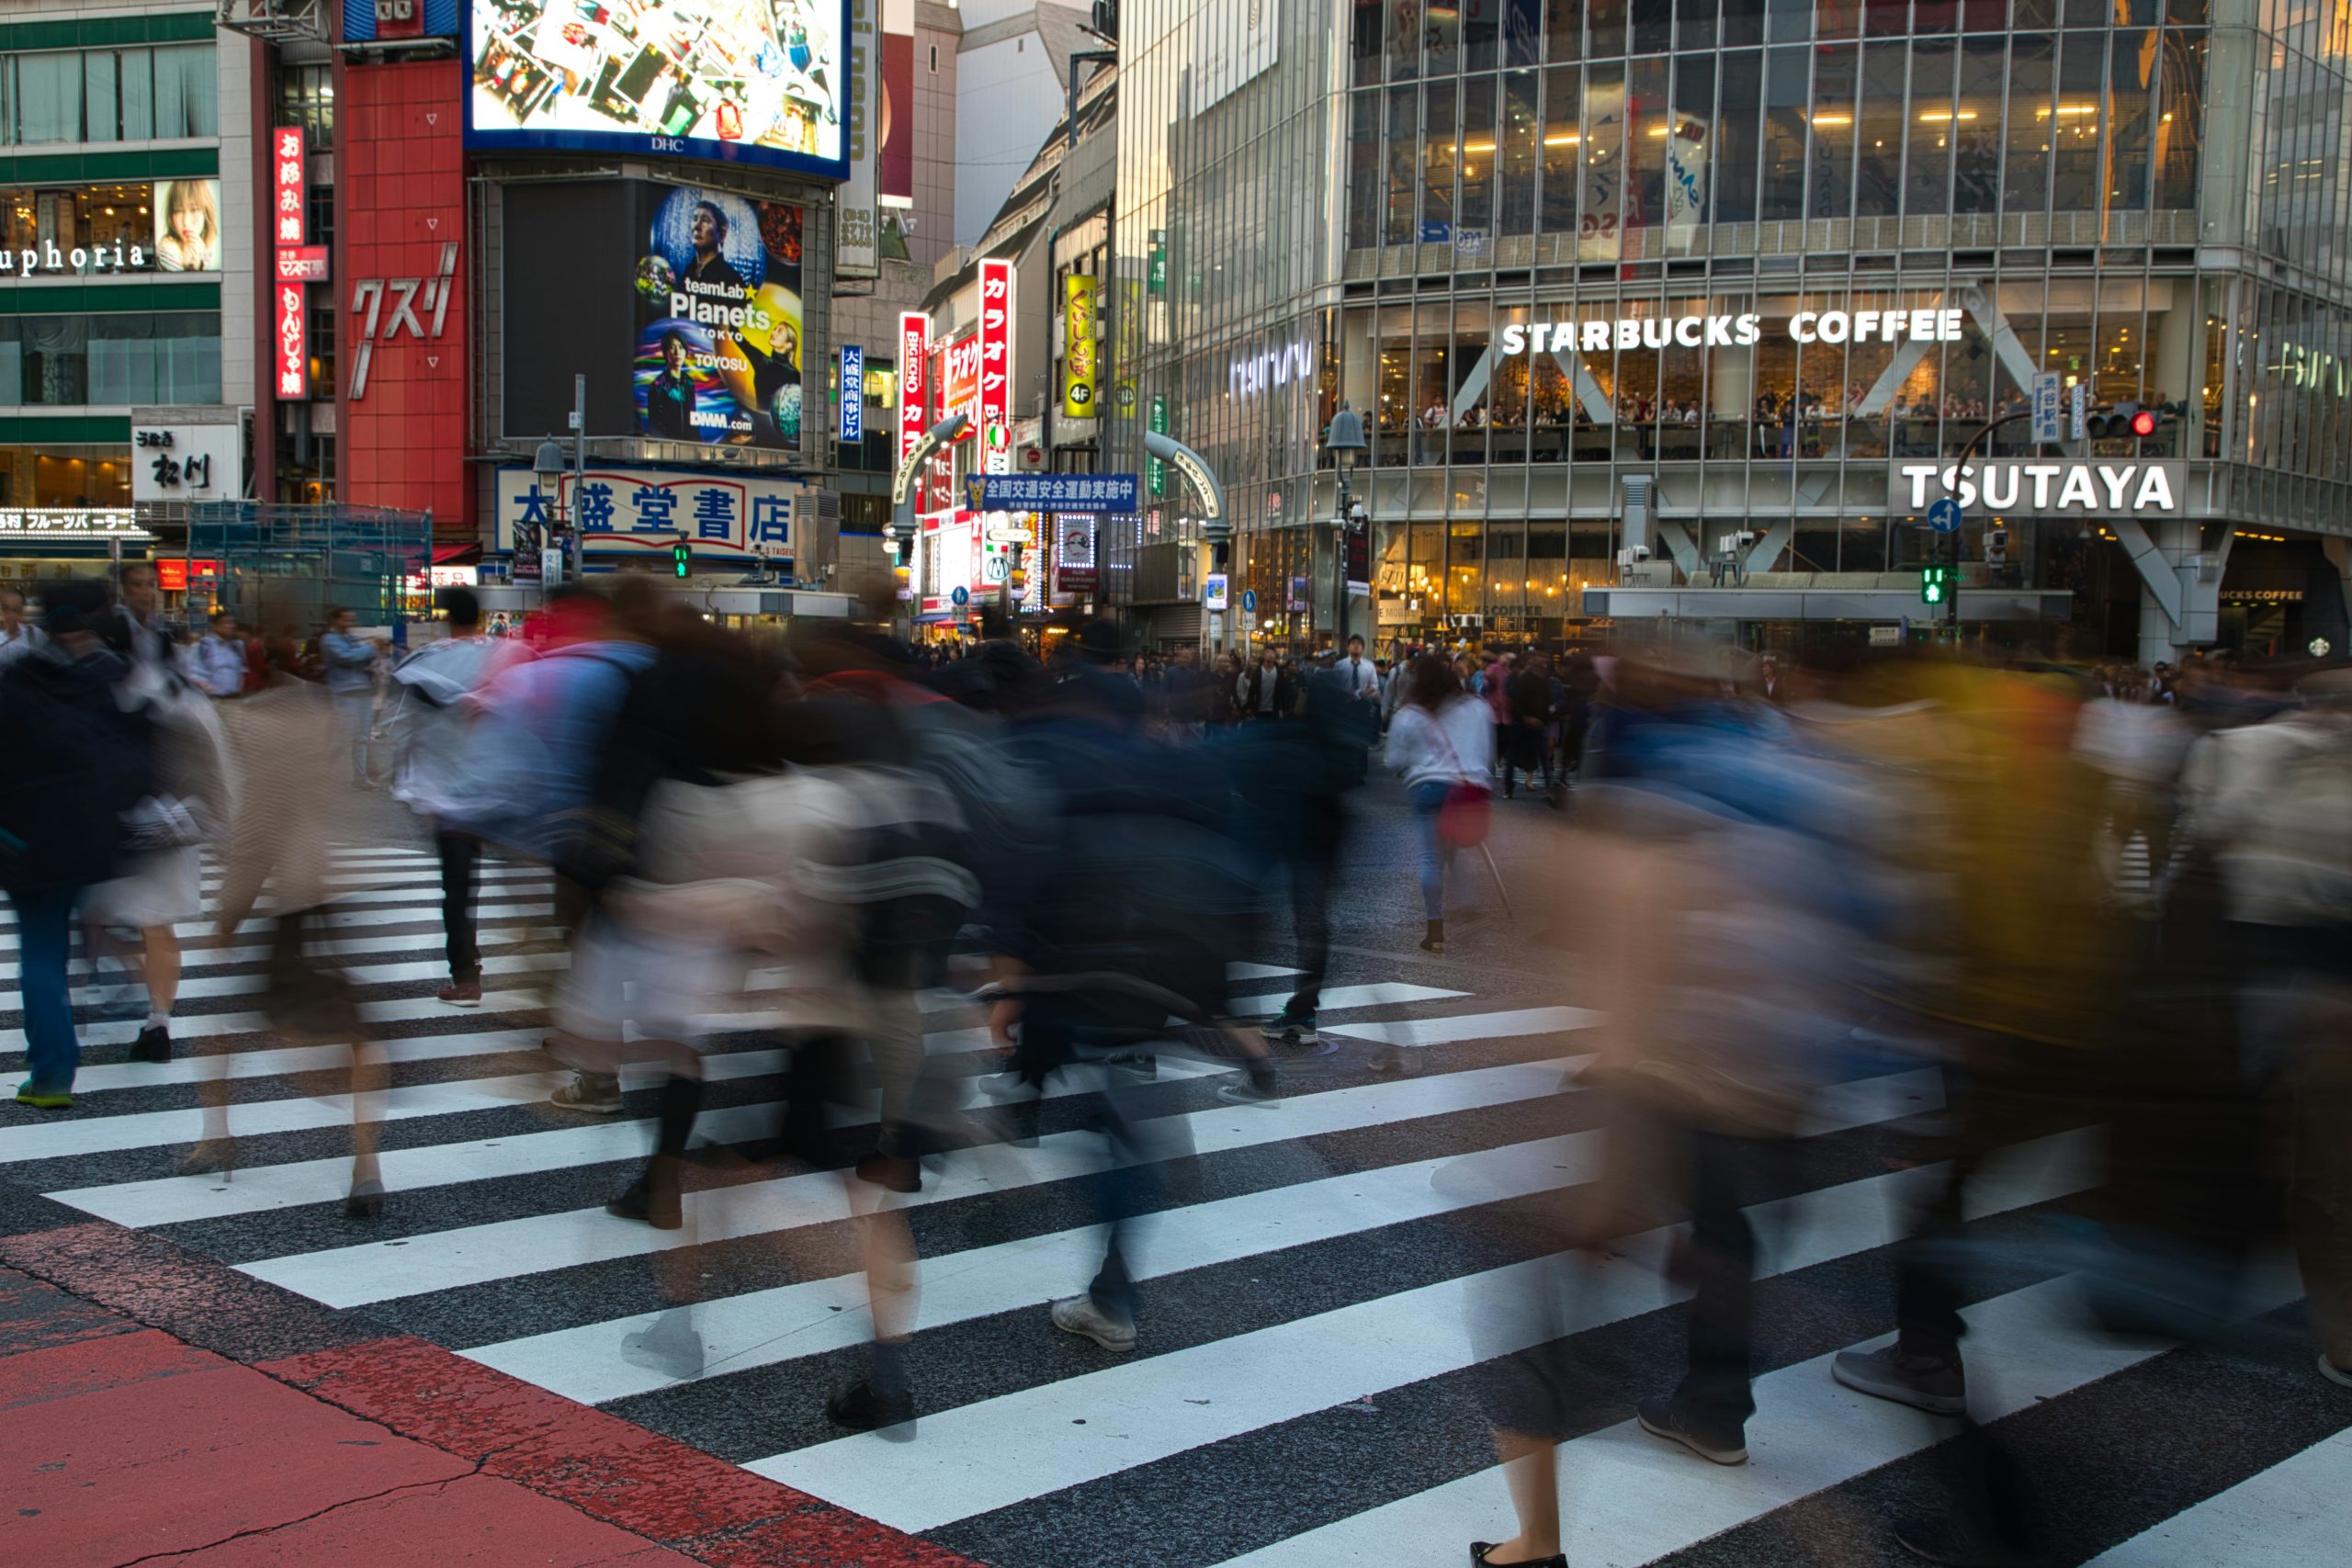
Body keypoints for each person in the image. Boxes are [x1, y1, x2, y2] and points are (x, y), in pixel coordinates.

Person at [0, 580, 152, 1109]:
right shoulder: (111, 678)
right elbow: (140, 758)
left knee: (41, 951)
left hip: (27, 837)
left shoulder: (17, 677)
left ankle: (51, 1074)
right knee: (90, 925)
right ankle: (116, 987)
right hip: (92, 835)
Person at [386, 587, 508, 1008]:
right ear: (482, 616)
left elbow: (398, 726)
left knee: (457, 887)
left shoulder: (425, 662)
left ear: (445, 619)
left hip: (449, 795)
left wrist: (404, 781)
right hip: (501, 787)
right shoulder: (505, 657)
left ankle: (466, 976)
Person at [1385, 653, 1492, 954]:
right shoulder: (1475, 706)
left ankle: (1435, 930)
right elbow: (1485, 753)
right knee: (1451, 853)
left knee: (1431, 858)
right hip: (1464, 790)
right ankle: (1467, 902)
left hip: (1428, 787)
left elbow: (1393, 759)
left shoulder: (1410, 712)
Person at [319, 607, 382, 784]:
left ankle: (360, 778)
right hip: (344, 692)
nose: (349, 624)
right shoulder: (329, 640)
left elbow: (365, 657)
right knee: (343, 735)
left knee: (362, 737)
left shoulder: (352, 638)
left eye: (351, 620)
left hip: (363, 690)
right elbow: (346, 657)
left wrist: (368, 651)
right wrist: (370, 649)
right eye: (345, 620)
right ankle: (323, 770)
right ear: (335, 620)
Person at [682, 200, 746, 294]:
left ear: (722, 235)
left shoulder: (731, 278)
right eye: (695, 219)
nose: (697, 226)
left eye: (705, 220)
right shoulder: (689, 270)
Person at [156, 178, 220, 272]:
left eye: (194, 210)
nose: (186, 221)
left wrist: (199, 263)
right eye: (178, 211)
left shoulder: (208, 252)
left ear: (206, 213)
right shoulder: (167, 250)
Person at [647, 331, 698, 441]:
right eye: (672, 347)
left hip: (689, 447)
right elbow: (655, 426)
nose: (677, 352)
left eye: (681, 347)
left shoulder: (689, 382)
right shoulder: (658, 386)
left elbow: (693, 418)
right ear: (665, 352)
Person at [191, 610, 247, 697]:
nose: (232, 626)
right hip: (213, 699)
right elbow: (194, 672)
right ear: (215, 627)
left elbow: (242, 669)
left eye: (233, 623)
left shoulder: (237, 645)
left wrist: (240, 687)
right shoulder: (205, 645)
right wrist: (207, 688)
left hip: (235, 699)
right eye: (227, 623)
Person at [1238, 646, 1292, 720]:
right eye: (1268, 653)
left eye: (1272, 653)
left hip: (1274, 708)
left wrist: (1285, 707)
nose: (1270, 655)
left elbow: (1283, 690)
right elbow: (1252, 690)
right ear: (1263, 655)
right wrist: (1249, 706)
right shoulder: (1258, 671)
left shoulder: (1279, 672)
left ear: (1275, 655)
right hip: (1259, 708)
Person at [0, 585, 41, 669]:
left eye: (16, 610)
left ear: (23, 610)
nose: (11, 615)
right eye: (5, 609)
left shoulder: (34, 634)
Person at [1338, 633, 1381, 705]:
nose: (1356, 645)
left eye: (1359, 643)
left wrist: (1364, 693)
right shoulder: (1339, 665)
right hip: (1343, 703)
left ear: (1363, 648)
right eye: (1353, 643)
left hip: (1363, 702)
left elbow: (1375, 684)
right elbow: (1335, 685)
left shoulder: (1369, 666)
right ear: (1348, 647)